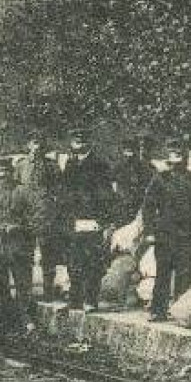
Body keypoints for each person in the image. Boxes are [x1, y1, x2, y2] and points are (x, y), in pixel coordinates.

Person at [141, 139, 191, 321]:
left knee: (184, 273)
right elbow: (148, 207)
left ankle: (181, 311)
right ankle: (158, 310)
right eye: (173, 151)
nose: (178, 155)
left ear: (186, 156)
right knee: (162, 272)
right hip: (164, 234)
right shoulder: (159, 179)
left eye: (180, 152)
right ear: (168, 156)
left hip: (187, 233)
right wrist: (149, 232)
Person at [59, 128, 116, 311]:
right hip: (74, 219)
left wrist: (104, 220)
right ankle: (75, 299)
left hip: (92, 219)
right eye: (76, 141)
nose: (79, 144)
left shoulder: (99, 164)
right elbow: (66, 191)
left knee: (92, 262)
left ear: (88, 143)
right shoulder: (70, 163)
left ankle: (90, 300)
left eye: (82, 141)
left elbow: (106, 194)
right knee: (74, 261)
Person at [0, 156, 39, 332]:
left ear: (12, 173)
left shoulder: (23, 191)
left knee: (23, 283)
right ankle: (6, 318)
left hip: (19, 246)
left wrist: (19, 226)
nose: (3, 175)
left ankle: (27, 320)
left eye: (6, 171)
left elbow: (37, 214)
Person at [16, 133, 65, 300]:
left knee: (48, 255)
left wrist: (52, 211)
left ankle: (48, 291)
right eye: (34, 143)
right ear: (28, 144)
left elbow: (58, 191)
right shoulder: (21, 165)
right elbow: (16, 189)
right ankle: (25, 292)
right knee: (25, 254)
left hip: (45, 215)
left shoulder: (51, 166)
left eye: (40, 143)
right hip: (25, 215)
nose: (37, 147)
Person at [113, 133, 158, 226]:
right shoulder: (120, 167)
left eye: (146, 149)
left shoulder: (151, 169)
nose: (142, 152)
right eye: (139, 148)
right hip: (123, 208)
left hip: (142, 208)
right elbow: (114, 187)